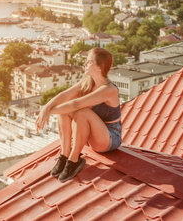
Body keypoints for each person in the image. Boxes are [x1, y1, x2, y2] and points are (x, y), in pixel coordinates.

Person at [35, 47, 122, 183]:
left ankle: (74, 159)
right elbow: (65, 95)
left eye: (89, 62)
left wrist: (49, 112)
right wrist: (46, 108)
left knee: (82, 112)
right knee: (64, 112)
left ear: (100, 67)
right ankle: (64, 155)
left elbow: (76, 104)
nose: (85, 64)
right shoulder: (88, 82)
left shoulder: (109, 90)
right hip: (93, 136)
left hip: (110, 138)